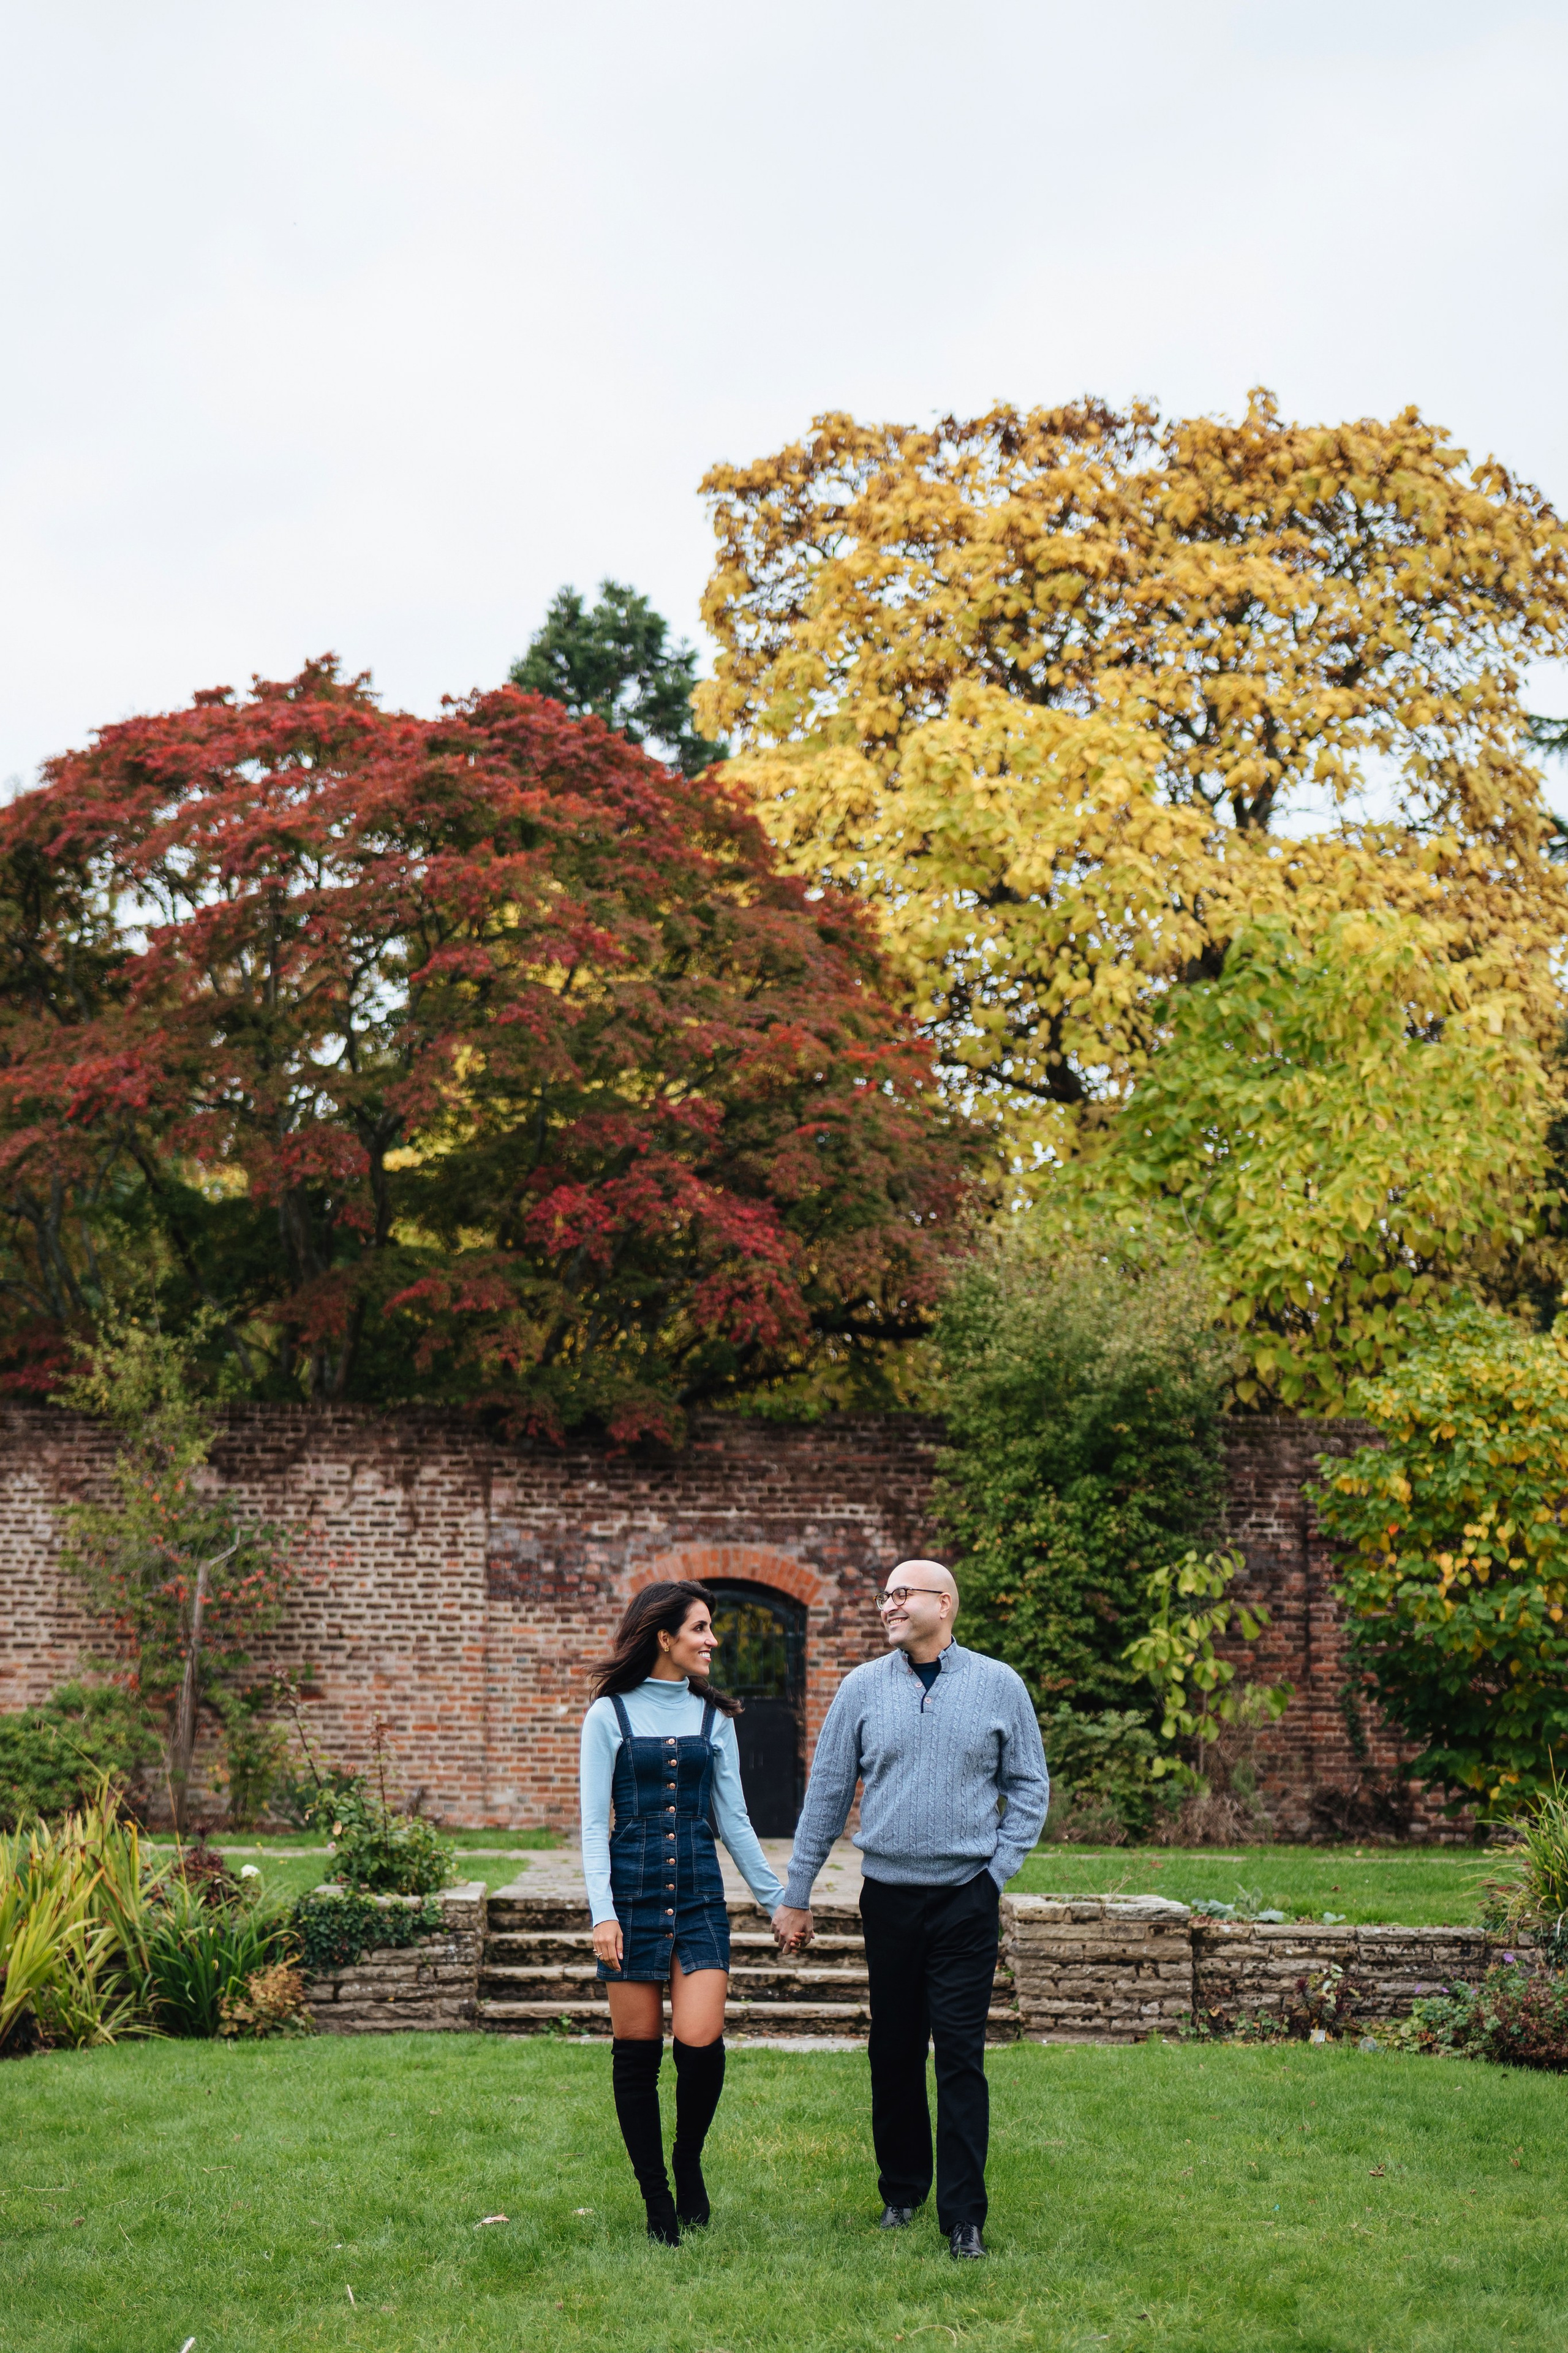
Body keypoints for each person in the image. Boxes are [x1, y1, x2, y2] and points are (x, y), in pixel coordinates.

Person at [773, 1558, 1049, 2260]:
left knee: (960, 2055)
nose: (888, 1604)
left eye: (903, 1593)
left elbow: (1029, 1786)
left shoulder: (997, 1685)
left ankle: (964, 2216)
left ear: (944, 1603)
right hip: (888, 1898)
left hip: (966, 1899)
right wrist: (797, 1893)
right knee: (893, 2050)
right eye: (885, 1594)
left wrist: (995, 1874)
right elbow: (827, 1796)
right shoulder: (863, 1687)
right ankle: (901, 2190)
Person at [580, 1578, 795, 2243]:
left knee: (700, 2043)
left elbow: (734, 1821)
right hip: (632, 1891)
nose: (713, 1640)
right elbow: (592, 1825)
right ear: (664, 1636)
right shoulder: (607, 1715)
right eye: (700, 1628)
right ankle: (656, 2200)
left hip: (699, 1893)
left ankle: (688, 2158)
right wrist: (602, 1913)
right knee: (637, 2053)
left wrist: (778, 1902)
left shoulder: (716, 1718)